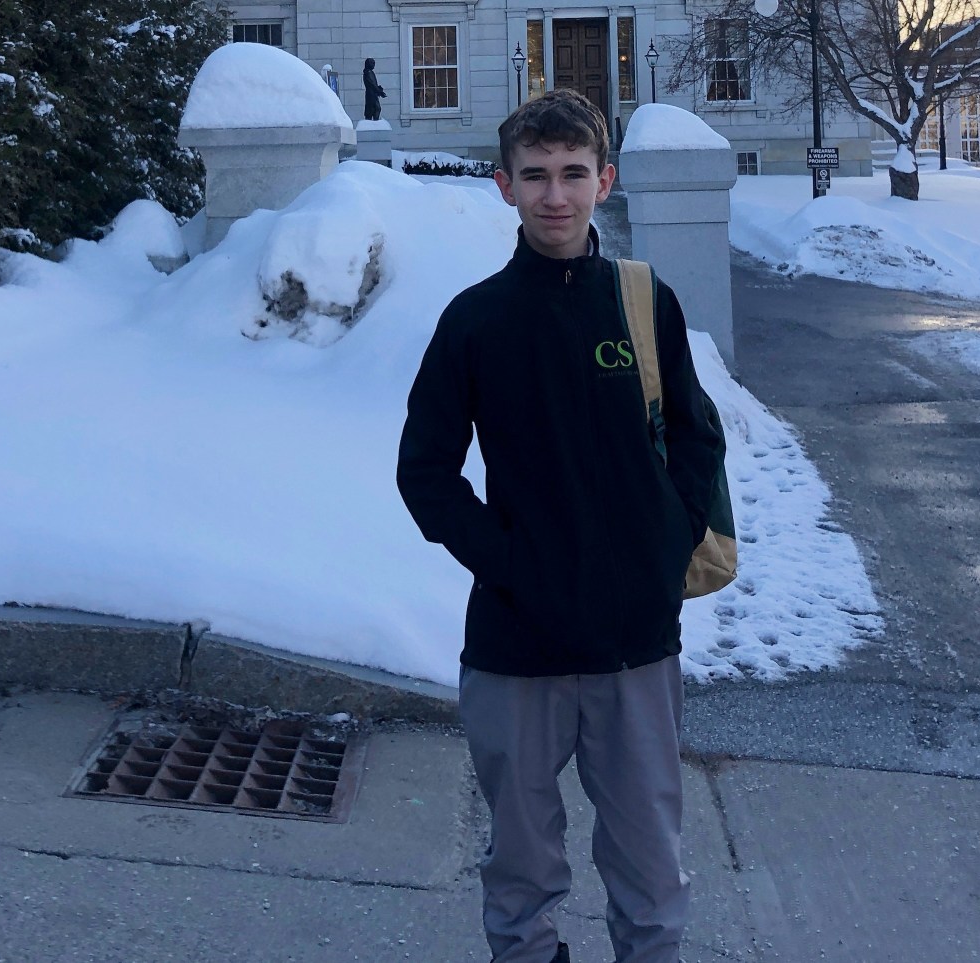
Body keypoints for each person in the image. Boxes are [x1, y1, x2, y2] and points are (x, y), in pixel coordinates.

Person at [396, 89, 723, 963]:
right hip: (517, 645)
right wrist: (510, 563)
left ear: (604, 181)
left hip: (634, 645)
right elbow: (425, 472)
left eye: (573, 173)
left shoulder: (643, 302)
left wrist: (668, 538)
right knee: (521, 867)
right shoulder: (476, 320)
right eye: (535, 175)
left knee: (650, 865)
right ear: (504, 185)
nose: (555, 195)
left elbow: (696, 433)